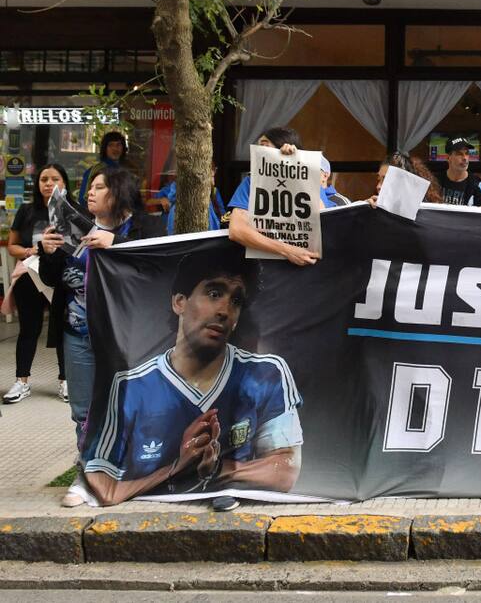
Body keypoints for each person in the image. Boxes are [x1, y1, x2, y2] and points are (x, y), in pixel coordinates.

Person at [82, 248, 303, 507]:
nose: (224, 310)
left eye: (236, 301)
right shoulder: (130, 386)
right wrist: (177, 467)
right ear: (179, 302)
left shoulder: (267, 373)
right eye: (214, 293)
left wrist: (216, 469)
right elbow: (104, 486)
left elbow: (286, 469)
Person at [37, 167, 167, 507]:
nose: (89, 193)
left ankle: (130, 473)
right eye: (89, 187)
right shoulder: (73, 226)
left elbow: (160, 265)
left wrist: (116, 243)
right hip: (78, 333)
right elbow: (54, 280)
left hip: (127, 336)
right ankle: (87, 477)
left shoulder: (145, 226)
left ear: (118, 191)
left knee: (128, 406)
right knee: (83, 412)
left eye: (99, 187)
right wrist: (48, 252)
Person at [3, 163, 70, 404]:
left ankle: (65, 381)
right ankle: (22, 381)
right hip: (30, 275)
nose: (49, 184)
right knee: (28, 330)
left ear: (64, 183)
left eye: (55, 179)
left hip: (62, 278)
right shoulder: (26, 210)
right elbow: (12, 246)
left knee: (63, 329)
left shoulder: (73, 211)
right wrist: (31, 249)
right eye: (44, 179)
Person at [227, 127, 320, 266]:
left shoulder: (310, 180)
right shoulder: (251, 182)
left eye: (264, 146)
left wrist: (295, 166)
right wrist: (288, 250)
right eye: (258, 147)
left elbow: (322, 217)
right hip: (265, 269)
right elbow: (237, 230)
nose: (259, 152)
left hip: (306, 267)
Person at [152, 163, 226, 234]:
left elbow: (221, 216)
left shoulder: (212, 194)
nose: (213, 183)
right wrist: (161, 200)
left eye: (213, 177)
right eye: (211, 177)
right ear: (198, 178)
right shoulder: (184, 205)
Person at [78, 131, 129, 205]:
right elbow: (83, 199)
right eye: (110, 145)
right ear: (104, 148)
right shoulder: (96, 170)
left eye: (118, 145)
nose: (115, 148)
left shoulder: (127, 169)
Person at [374, 151, 442, 204]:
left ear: (404, 183)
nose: (378, 186)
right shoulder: (375, 207)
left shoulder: (424, 211)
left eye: (386, 180)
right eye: (379, 180)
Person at [437, 137, 481, 207]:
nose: (465, 158)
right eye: (459, 154)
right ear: (448, 158)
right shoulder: (435, 182)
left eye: (467, 153)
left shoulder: (478, 186)